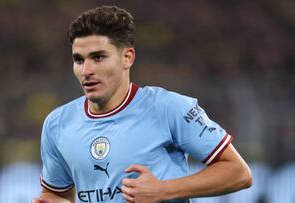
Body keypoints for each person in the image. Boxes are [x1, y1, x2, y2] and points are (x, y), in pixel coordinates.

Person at [32, 5, 252, 203]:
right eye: (79, 59)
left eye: (98, 57)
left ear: (127, 57)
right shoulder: (57, 123)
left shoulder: (168, 108)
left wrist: (163, 190)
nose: (86, 70)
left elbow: (238, 173)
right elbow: (57, 194)